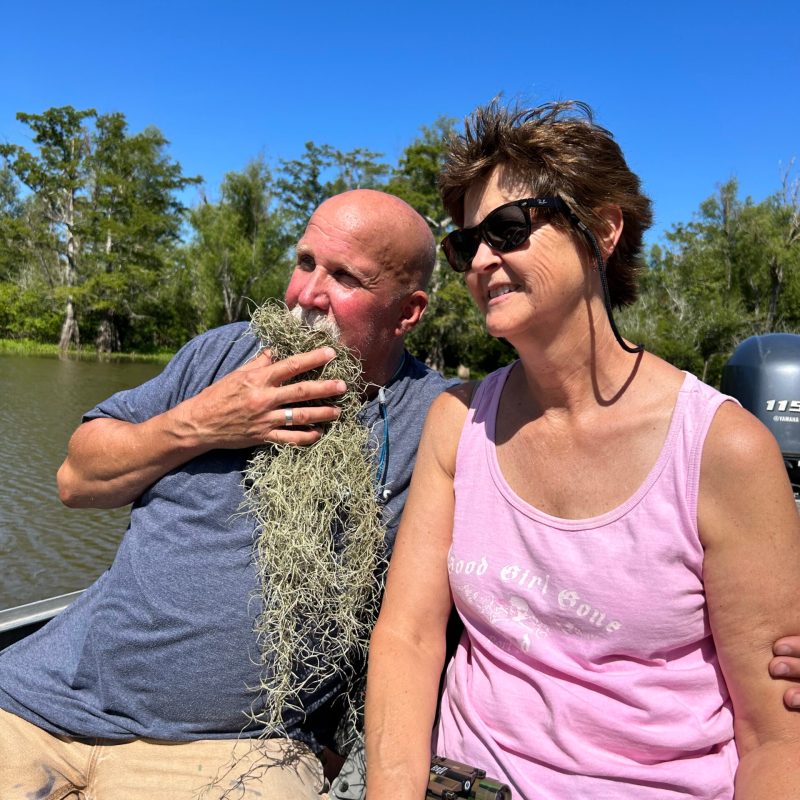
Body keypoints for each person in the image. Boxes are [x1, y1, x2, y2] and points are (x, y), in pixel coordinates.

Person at [365, 101, 800, 799]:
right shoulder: (458, 419)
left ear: (600, 230)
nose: (480, 260)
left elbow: (777, 738)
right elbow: (410, 637)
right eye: (463, 243)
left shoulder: (722, 449)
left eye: (507, 229)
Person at [0, 189, 456, 800]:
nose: (305, 295)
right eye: (304, 262)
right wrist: (203, 422)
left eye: (345, 277)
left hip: (231, 751)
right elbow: (75, 482)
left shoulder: (440, 417)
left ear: (408, 312)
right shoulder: (224, 352)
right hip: (42, 696)